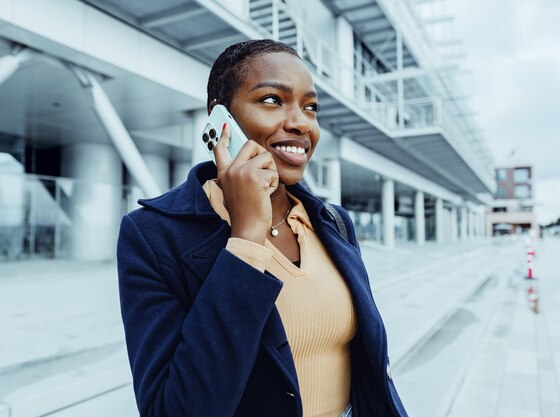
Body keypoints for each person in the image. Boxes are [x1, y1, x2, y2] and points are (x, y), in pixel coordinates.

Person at [117, 39, 409, 417]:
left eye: (311, 107)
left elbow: (371, 369)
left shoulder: (332, 222)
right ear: (219, 119)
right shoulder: (153, 235)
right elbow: (173, 409)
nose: (301, 122)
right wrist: (246, 239)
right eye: (272, 99)